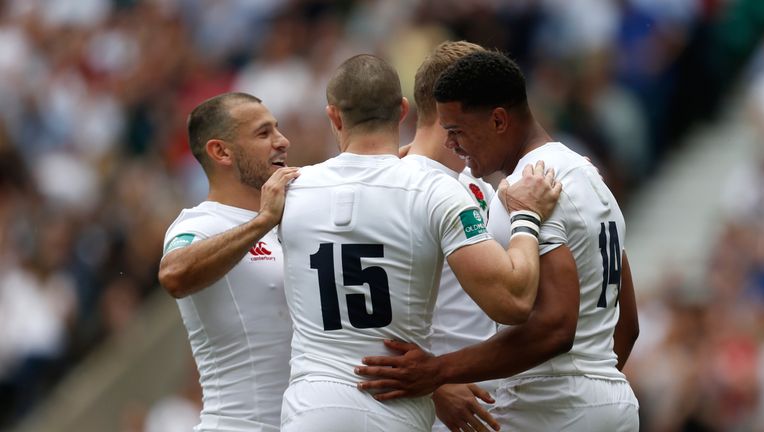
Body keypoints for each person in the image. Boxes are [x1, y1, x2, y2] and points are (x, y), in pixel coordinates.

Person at [356, 51, 640, 431]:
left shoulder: (533, 185)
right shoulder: (588, 176)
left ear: (498, 120)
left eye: (457, 131)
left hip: (549, 406)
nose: (453, 145)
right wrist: (595, 392)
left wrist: (437, 371)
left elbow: (555, 325)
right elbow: (628, 323)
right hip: (609, 399)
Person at [277, 54, 560, 432]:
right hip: (394, 407)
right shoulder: (435, 190)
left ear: (334, 117)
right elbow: (513, 302)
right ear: (402, 111)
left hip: (312, 407)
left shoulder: (288, 190)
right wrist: (526, 217)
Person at [157, 92, 300, 432]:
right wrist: (262, 222)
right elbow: (174, 274)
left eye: (276, 130)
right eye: (264, 134)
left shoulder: (296, 213)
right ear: (221, 152)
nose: (282, 141)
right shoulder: (199, 224)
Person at [403, 40, 501, 432]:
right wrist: (435, 384)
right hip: (429, 410)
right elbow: (362, 312)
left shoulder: (480, 187)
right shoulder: (396, 189)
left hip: (492, 406)